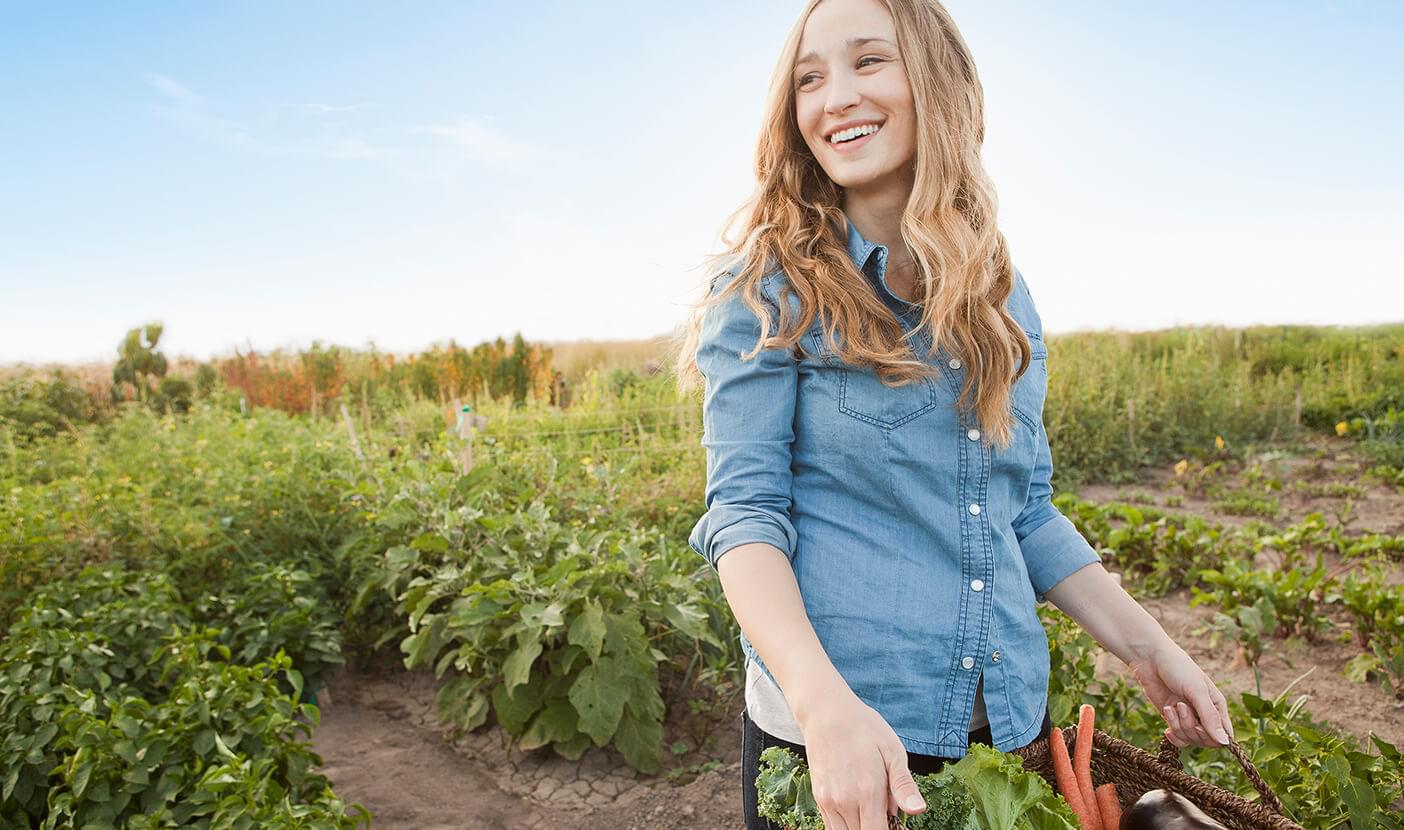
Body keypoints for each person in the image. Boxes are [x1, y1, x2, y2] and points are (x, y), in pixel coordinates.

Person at [671, 1, 1236, 829]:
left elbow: (1025, 511)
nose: (836, 99)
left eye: (869, 62)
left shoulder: (1001, 298)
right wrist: (825, 709)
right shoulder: (766, 289)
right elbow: (746, 518)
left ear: (936, 81)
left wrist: (1152, 649)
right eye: (810, 79)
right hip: (846, 740)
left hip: (1003, 732)